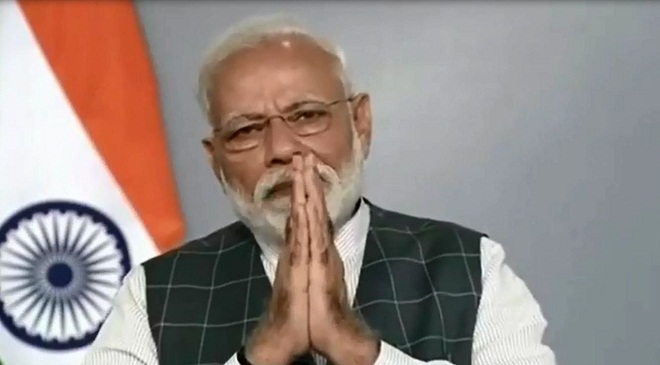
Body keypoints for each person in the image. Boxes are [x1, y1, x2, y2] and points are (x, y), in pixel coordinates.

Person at [83, 14, 556, 365]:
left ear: (360, 123)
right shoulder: (153, 294)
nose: (283, 149)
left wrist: (357, 349)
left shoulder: (470, 267)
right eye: (246, 130)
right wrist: (263, 354)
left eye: (307, 115)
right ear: (216, 160)